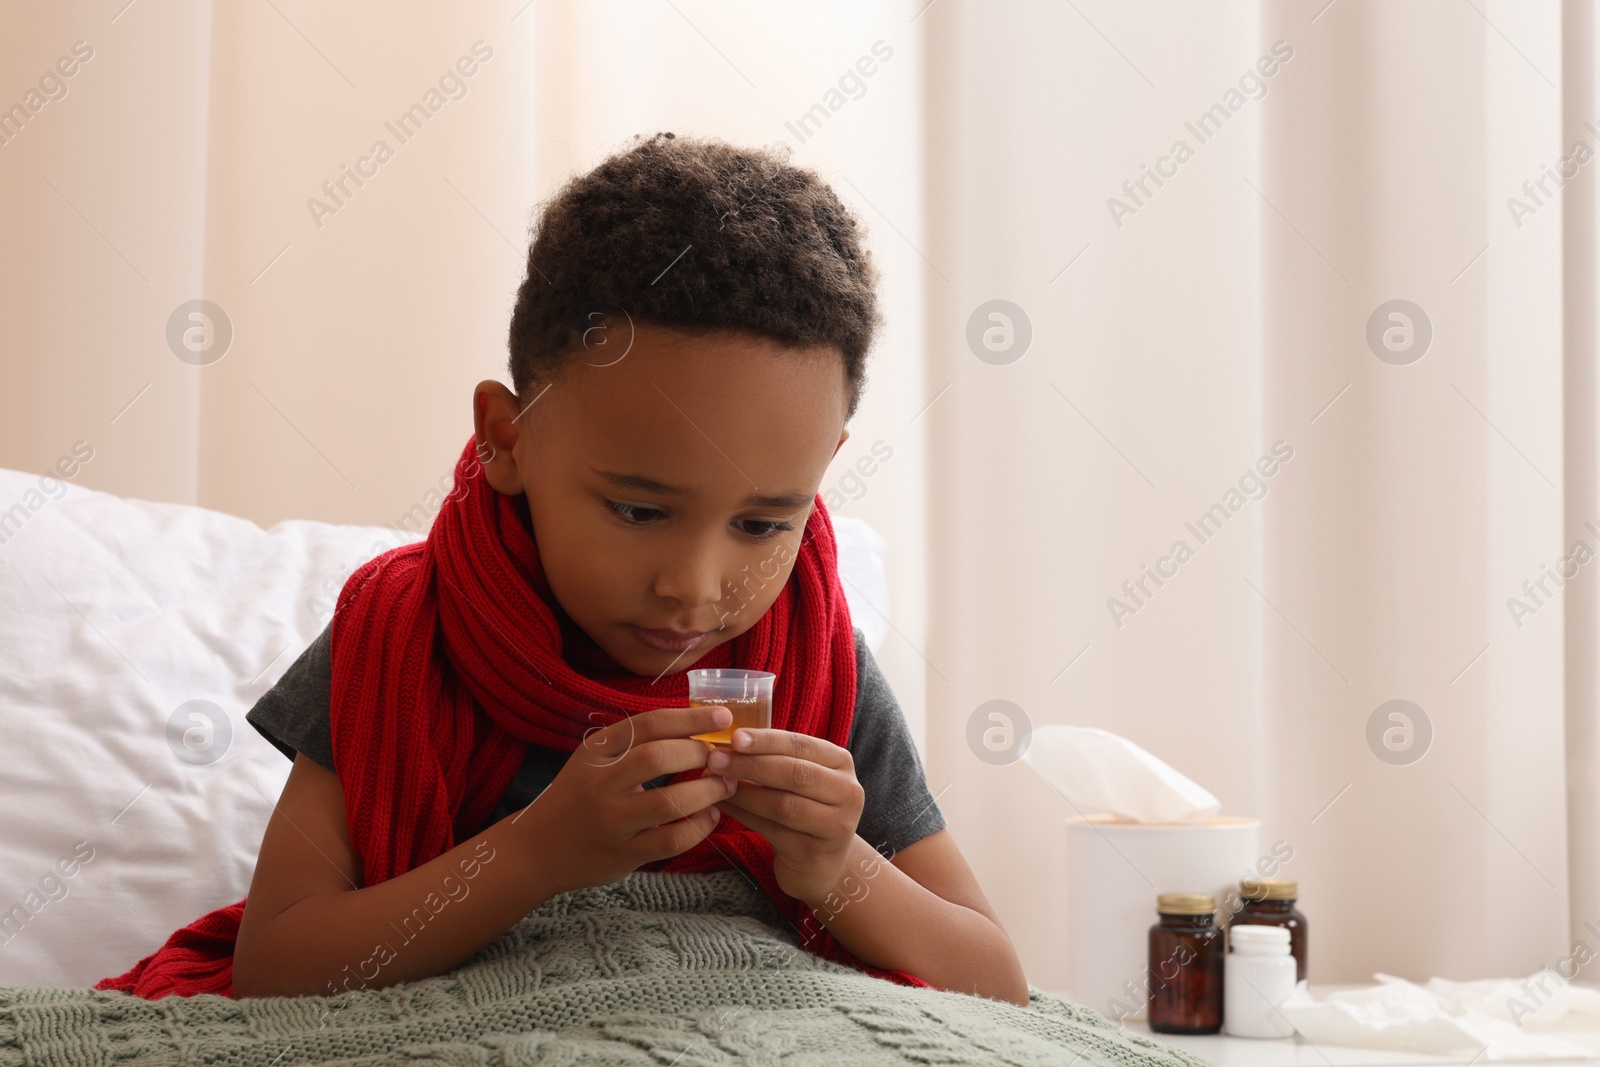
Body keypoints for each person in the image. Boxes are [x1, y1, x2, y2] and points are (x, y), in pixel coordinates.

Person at [95, 132, 1028, 1005]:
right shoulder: (400, 637)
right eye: (638, 509)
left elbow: (998, 985)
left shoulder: (819, 663)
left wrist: (841, 868)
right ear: (508, 437)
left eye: (761, 522)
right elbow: (277, 966)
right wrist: (536, 853)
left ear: (824, 467)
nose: (697, 586)